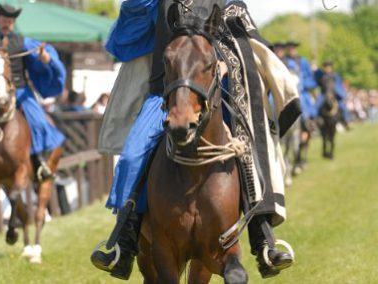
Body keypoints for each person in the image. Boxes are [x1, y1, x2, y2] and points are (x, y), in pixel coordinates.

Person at [92, 0, 297, 280]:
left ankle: (262, 237)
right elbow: (124, 38)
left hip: (213, 91)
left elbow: (244, 40)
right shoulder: (158, 3)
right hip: (164, 94)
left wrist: (225, 63)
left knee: (250, 145)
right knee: (131, 156)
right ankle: (125, 242)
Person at [0, 3, 66, 181]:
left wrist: (45, 58)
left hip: (20, 91)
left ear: (13, 22)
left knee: (39, 123)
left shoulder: (24, 42)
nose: (7, 23)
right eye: (4, 20)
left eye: (10, 20)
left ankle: (40, 161)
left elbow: (44, 54)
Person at [285, 41, 317, 171]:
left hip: (301, 94)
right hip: (287, 93)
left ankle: (309, 125)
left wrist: (304, 83)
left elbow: (310, 79)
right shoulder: (284, 61)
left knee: (308, 110)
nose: (291, 49)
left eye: (293, 47)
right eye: (290, 47)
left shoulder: (303, 62)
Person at [315, 61, 350, 130]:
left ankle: (345, 121)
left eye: (329, 67)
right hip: (324, 95)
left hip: (334, 95)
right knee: (317, 105)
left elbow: (339, 86)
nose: (327, 69)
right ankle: (315, 121)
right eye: (326, 67)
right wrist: (315, 67)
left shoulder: (335, 76)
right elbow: (316, 75)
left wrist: (339, 94)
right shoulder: (321, 75)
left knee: (342, 107)